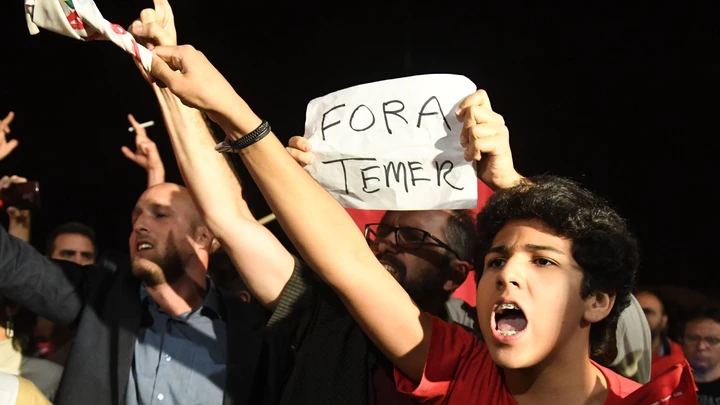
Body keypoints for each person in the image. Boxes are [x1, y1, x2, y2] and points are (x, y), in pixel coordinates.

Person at [144, 44, 698, 404]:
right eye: (497, 260)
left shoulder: (650, 398)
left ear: (597, 301)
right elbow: (349, 267)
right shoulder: (459, 370)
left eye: (543, 261)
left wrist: (512, 186)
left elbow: (609, 270)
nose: (506, 276)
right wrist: (230, 110)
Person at [681, 306, 720, 404]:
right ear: (682, 341)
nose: (701, 347)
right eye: (693, 338)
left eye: (712, 340)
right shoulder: (666, 385)